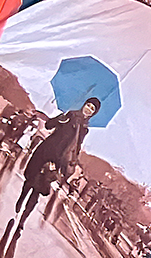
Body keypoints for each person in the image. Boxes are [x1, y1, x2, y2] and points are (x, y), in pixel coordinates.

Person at [8, 96, 101, 236]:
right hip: (45, 150)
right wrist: (60, 119)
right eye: (88, 105)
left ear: (93, 113)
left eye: (92, 109)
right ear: (84, 104)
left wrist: (65, 164)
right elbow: (48, 125)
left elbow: (75, 147)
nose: (88, 109)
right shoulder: (69, 115)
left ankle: (23, 220)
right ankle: (21, 198)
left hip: (56, 160)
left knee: (38, 189)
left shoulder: (84, 129)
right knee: (29, 181)